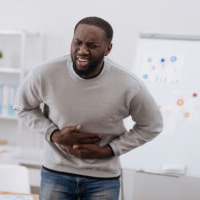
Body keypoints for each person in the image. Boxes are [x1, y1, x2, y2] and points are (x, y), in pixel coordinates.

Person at [13, 16, 163, 200]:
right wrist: (54, 134)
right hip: (56, 173)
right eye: (78, 43)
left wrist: (109, 150)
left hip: (103, 179)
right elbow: (23, 107)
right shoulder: (45, 74)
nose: (82, 51)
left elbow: (152, 125)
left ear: (108, 49)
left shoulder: (128, 84)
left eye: (92, 45)